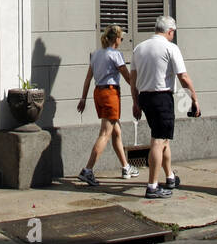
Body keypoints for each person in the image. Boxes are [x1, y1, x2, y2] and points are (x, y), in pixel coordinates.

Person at [131, 15, 200, 200]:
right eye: (173, 33)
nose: (173, 36)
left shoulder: (139, 48)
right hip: (162, 97)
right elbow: (183, 77)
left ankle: (169, 177)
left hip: (145, 97)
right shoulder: (170, 48)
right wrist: (194, 98)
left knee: (164, 139)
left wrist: (135, 102)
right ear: (169, 31)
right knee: (158, 141)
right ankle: (152, 186)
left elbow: (133, 80)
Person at [76, 24, 140, 186]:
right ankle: (88, 170)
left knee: (115, 131)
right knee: (105, 133)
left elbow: (88, 78)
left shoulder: (96, 54)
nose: (122, 40)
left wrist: (83, 99)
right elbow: (127, 77)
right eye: (121, 38)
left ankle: (126, 167)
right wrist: (138, 94)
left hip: (98, 93)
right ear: (116, 39)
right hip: (110, 94)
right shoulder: (115, 55)